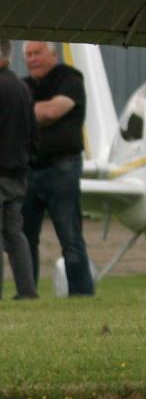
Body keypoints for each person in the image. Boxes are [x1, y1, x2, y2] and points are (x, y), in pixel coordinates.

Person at [23, 42, 92, 297]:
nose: (33, 59)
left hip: (62, 168)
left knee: (71, 239)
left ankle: (82, 294)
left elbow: (51, 112)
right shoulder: (24, 86)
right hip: (28, 171)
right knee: (24, 240)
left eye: (38, 53)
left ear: (53, 53)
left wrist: (24, 112)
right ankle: (26, 293)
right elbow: (45, 112)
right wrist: (37, 112)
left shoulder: (70, 78)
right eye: (28, 55)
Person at [0, 41, 38, 299]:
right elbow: (33, 132)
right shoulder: (22, 87)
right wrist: (27, 160)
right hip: (17, 172)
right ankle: (27, 291)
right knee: (15, 233)